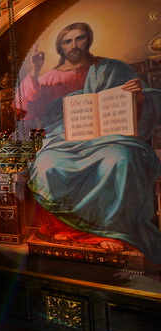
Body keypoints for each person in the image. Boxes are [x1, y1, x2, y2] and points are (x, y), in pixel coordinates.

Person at [17, 22, 161, 260]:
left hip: (108, 133)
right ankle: (64, 228)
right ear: (60, 47)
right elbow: (25, 108)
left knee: (121, 158)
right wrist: (35, 70)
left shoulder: (110, 68)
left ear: (88, 40)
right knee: (46, 164)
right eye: (67, 41)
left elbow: (144, 106)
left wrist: (137, 95)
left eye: (79, 38)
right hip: (60, 137)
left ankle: (113, 231)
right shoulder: (50, 77)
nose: (74, 45)